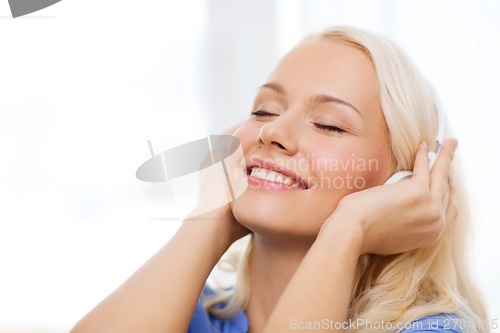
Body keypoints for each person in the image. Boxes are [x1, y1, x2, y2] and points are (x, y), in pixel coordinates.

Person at [71, 26, 488, 333]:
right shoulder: (198, 313)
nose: (272, 133)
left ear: (403, 184)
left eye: (328, 125)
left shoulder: (435, 331)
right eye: (265, 111)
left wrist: (350, 229)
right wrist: (208, 221)